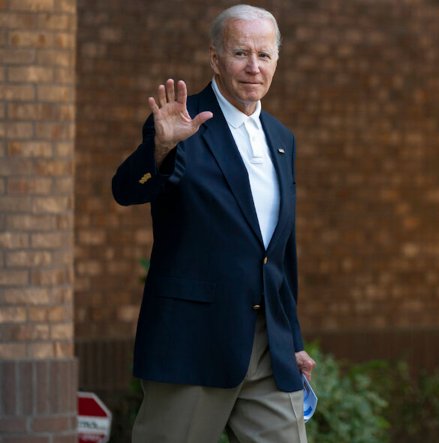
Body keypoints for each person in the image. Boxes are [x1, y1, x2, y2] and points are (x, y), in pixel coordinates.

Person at [112, 5, 314, 442]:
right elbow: (126, 190)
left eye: (264, 55)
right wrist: (160, 150)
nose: (254, 67)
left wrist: (292, 339)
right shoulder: (182, 122)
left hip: (268, 347)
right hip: (193, 343)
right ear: (215, 58)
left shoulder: (282, 138)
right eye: (241, 53)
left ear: (277, 61)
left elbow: (279, 252)